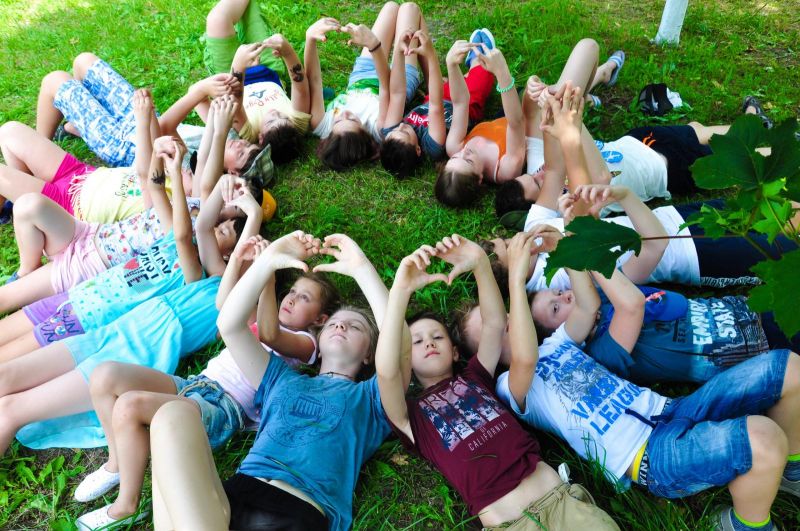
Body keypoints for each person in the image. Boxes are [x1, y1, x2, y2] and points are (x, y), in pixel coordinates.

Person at [494, 227, 800, 531]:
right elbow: (525, 358)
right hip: (650, 455)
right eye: (500, 327)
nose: (507, 319)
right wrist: (515, 282)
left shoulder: (557, 343)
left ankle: (792, 469)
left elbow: (588, 304)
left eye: (507, 317)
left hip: (672, 409)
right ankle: (744, 526)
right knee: (763, 439)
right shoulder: (510, 386)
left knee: (789, 367)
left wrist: (565, 250)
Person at [0, 135, 263, 459]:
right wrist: (205, 181)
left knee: (12, 404)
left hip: (116, 339)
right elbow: (195, 222)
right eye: (222, 227)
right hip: (94, 316)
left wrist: (253, 219)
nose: (217, 229)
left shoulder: (201, 278)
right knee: (7, 376)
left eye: (227, 233)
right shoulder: (187, 248)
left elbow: (191, 235)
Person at [73, 248, 339, 529]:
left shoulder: (306, 344)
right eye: (293, 291)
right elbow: (225, 304)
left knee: (130, 406)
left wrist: (268, 279)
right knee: (105, 376)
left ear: (320, 319)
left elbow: (269, 334)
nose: (292, 298)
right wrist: (238, 260)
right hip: (197, 384)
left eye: (304, 298)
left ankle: (127, 506)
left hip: (222, 407)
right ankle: (118, 463)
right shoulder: (259, 318)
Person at [146, 232, 391, 530]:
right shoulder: (282, 379)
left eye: (355, 326)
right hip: (234, 496)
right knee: (173, 413)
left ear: (370, 354)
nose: (341, 326)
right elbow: (230, 325)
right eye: (335, 323)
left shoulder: (371, 397)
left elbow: (398, 351)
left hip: (296, 509)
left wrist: (363, 270)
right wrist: (268, 261)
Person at [375, 233, 619, 530]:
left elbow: (494, 323)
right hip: (512, 524)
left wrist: (480, 262)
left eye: (437, 336)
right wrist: (401, 291)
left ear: (455, 352)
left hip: (561, 502)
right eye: (416, 342)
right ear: (407, 362)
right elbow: (387, 372)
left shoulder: (476, 377)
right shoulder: (410, 417)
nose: (429, 343)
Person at [0, 97, 254, 315]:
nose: (231, 195)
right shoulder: (194, 204)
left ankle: (24, 282)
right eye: (235, 189)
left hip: (90, 266)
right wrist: (216, 127)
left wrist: (188, 166)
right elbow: (163, 178)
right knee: (28, 205)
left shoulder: (197, 239)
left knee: (5, 298)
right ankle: (27, 272)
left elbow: (190, 218)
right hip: (89, 233)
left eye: (237, 202)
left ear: (233, 219)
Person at [495, 92, 769, 218]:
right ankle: (775, 150)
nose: (541, 173)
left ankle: (754, 122)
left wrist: (541, 94)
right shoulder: (578, 201)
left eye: (533, 174)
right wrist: (572, 119)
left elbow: (533, 120)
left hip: (638, 140)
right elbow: (600, 172)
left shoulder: (551, 168)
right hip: (669, 168)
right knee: (740, 161)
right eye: (538, 183)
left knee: (696, 130)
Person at [34, 51, 265, 176]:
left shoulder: (197, 167)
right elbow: (205, 103)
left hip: (125, 143)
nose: (241, 144)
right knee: (83, 62)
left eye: (242, 153)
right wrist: (215, 87)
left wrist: (199, 91)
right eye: (247, 145)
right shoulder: (228, 139)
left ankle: (37, 152)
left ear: (232, 173)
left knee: (55, 81)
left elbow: (164, 128)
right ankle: (77, 124)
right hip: (139, 115)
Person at [306, 2, 422, 171]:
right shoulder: (379, 129)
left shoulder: (322, 125)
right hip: (398, 80)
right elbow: (386, 87)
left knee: (390, 7)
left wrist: (310, 38)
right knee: (410, 9)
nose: (345, 113)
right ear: (366, 135)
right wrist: (373, 45)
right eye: (352, 119)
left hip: (362, 74)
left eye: (338, 120)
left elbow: (314, 82)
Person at [379, 24, 495, 177]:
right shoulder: (432, 146)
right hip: (465, 106)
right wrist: (431, 55)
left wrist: (399, 52)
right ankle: (477, 59)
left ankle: (464, 74)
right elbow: (436, 105)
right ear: (418, 150)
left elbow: (397, 94)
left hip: (439, 96)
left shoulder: (390, 133)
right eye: (405, 132)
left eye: (395, 130)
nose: (400, 125)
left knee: (452, 83)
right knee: (481, 78)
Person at [205, 0, 311, 163]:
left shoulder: (249, 134)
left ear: (260, 138)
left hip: (230, 75)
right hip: (267, 67)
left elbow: (235, 100)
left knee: (217, 20)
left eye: (271, 120)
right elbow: (300, 87)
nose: (274, 113)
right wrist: (287, 51)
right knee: (249, 6)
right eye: (282, 116)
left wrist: (239, 65)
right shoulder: (296, 124)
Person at [433, 38, 525, 208]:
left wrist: (451, 65)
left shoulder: (455, 147)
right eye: (468, 161)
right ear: (480, 179)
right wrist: (502, 72)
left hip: (503, 116)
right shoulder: (505, 170)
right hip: (528, 119)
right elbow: (516, 123)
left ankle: (475, 63)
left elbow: (461, 103)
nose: (464, 152)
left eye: (455, 158)